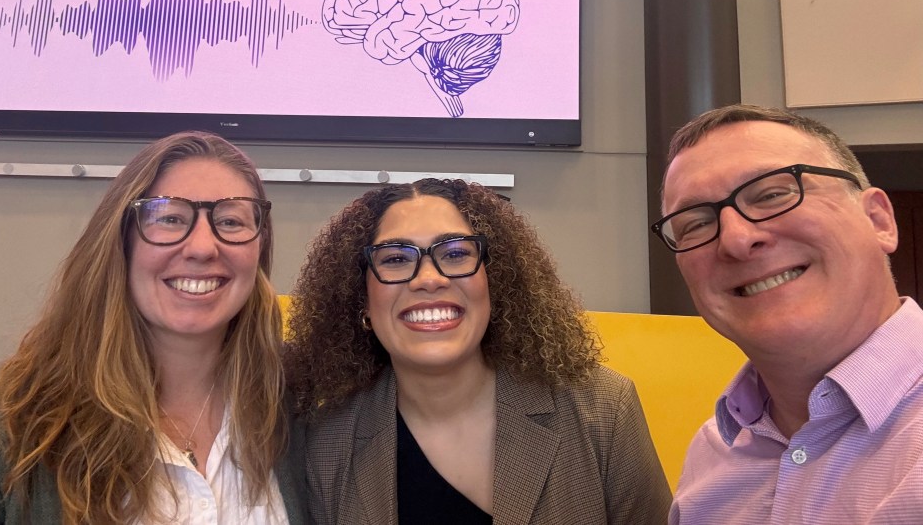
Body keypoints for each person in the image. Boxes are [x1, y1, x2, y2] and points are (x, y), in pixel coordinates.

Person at [0, 131, 307, 524]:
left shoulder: (305, 406)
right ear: (121, 243)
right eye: (169, 217)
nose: (202, 247)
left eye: (231, 222)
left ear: (259, 250)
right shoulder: (0, 414)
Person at [285, 178, 671, 524]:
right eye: (397, 259)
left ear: (495, 279)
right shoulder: (324, 439)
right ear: (361, 299)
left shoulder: (603, 410)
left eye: (455, 254)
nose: (429, 279)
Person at [653, 104, 923, 523]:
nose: (737, 240)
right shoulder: (712, 457)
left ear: (878, 220)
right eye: (696, 224)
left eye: (773, 194)